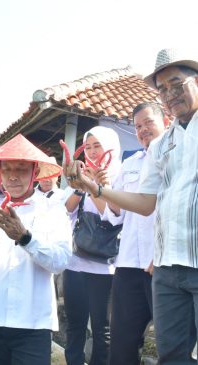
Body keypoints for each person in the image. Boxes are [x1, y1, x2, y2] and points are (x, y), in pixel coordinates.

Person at [64, 48, 198, 365]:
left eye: (177, 83)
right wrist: (93, 187)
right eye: (162, 88)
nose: (170, 93)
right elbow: (144, 204)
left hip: (183, 261)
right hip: (162, 268)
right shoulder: (163, 147)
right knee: (171, 355)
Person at [0, 134, 72, 365]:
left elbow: (61, 261)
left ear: (34, 173)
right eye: (8, 169)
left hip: (33, 322)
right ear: (0, 174)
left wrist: (25, 238)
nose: (13, 176)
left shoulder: (52, 210)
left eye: (21, 169)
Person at [101, 103, 166, 365]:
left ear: (165, 121)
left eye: (148, 122)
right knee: (121, 344)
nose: (142, 130)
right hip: (127, 265)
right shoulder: (129, 163)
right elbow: (115, 213)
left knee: (170, 343)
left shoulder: (177, 158)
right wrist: (99, 187)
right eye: (137, 126)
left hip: (162, 265)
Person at [62, 126, 121, 365]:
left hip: (105, 268)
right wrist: (81, 186)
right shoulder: (81, 174)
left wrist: (96, 187)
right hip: (76, 264)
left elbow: (111, 217)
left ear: (111, 148)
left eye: (98, 146)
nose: (93, 151)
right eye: (88, 147)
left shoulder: (119, 176)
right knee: (74, 324)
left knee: (102, 329)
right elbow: (67, 211)